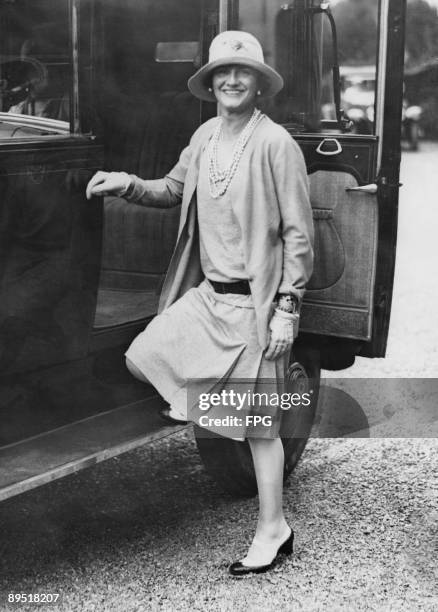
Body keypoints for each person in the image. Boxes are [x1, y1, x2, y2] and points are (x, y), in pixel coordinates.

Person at [86, 31, 314, 576]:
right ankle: (212, 405)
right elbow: (172, 188)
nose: (231, 81)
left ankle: (273, 529)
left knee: (259, 430)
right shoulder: (206, 134)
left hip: (255, 307)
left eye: (243, 73)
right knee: (144, 355)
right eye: (221, 73)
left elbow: (299, 235)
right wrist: (126, 184)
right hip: (210, 299)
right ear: (209, 83)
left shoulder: (275, 143)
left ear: (259, 84)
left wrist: (288, 308)